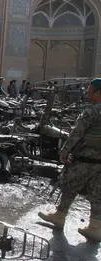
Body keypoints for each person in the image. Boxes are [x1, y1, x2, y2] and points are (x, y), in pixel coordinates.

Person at [38, 78, 101, 242]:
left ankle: (59, 216)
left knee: (70, 185)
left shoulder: (92, 112)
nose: (87, 94)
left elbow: (76, 133)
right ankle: (95, 227)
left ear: (98, 93)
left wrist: (65, 151)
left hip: (85, 159)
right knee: (97, 194)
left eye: (89, 91)